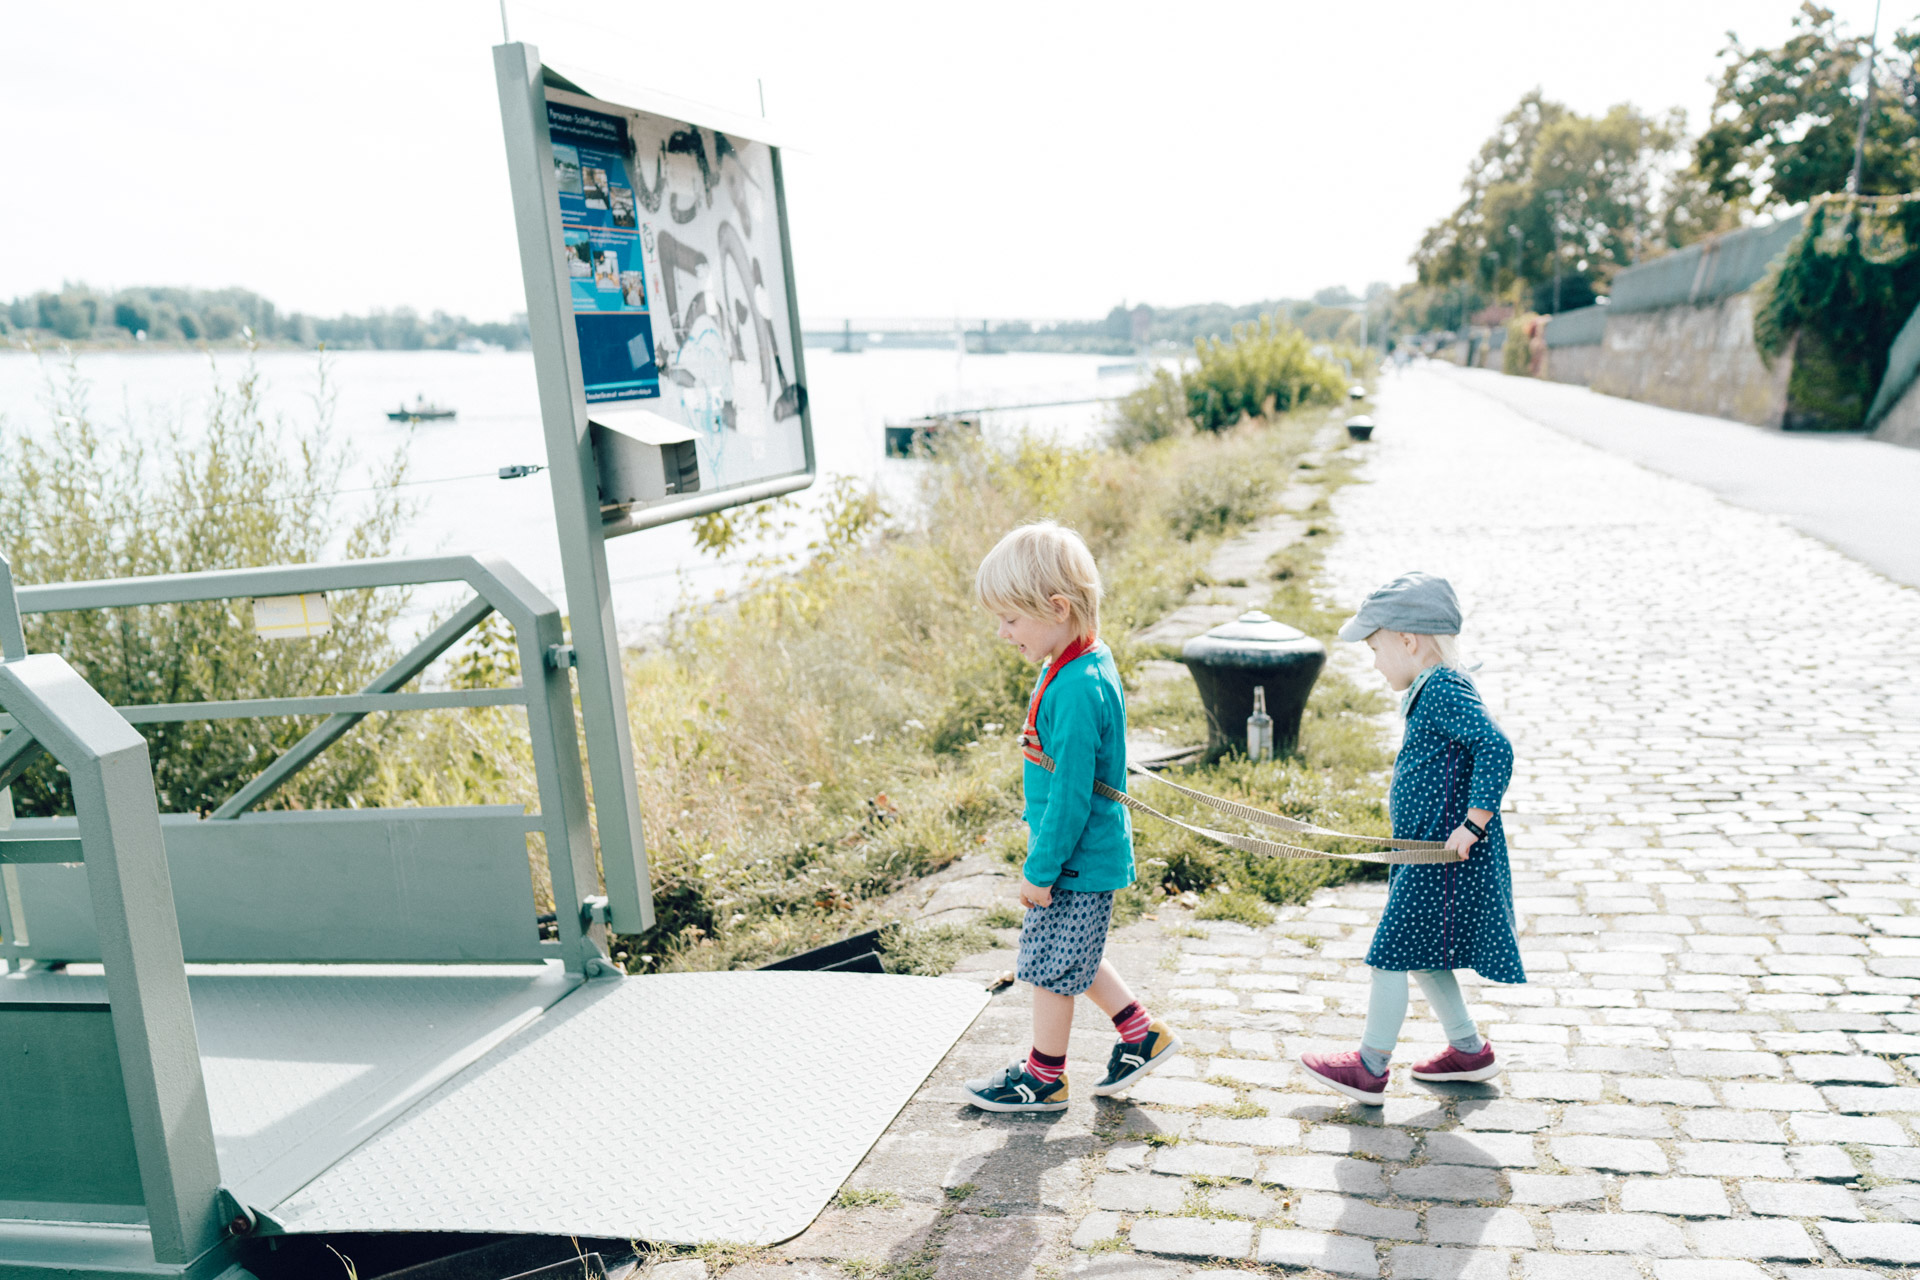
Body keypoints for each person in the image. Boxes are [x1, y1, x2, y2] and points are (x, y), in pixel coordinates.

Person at [963, 521, 1181, 1113]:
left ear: (1056, 608)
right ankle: (1141, 1034)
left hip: (1074, 859)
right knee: (1073, 955)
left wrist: (1041, 870)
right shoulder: (1075, 660)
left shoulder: (1079, 685)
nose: (1002, 632)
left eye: (1011, 619)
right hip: (1079, 856)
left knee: (1048, 967)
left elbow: (1071, 797)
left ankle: (1045, 1078)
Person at [1299, 571, 1523, 1104]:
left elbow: (1496, 747)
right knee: (1422, 954)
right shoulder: (1432, 688)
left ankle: (1370, 1067)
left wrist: (1472, 824)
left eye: (1376, 648)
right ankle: (1468, 1050)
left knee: (1390, 954)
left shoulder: (1443, 688)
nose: (1374, 662)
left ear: (1408, 641)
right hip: (1423, 855)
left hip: (1444, 859)